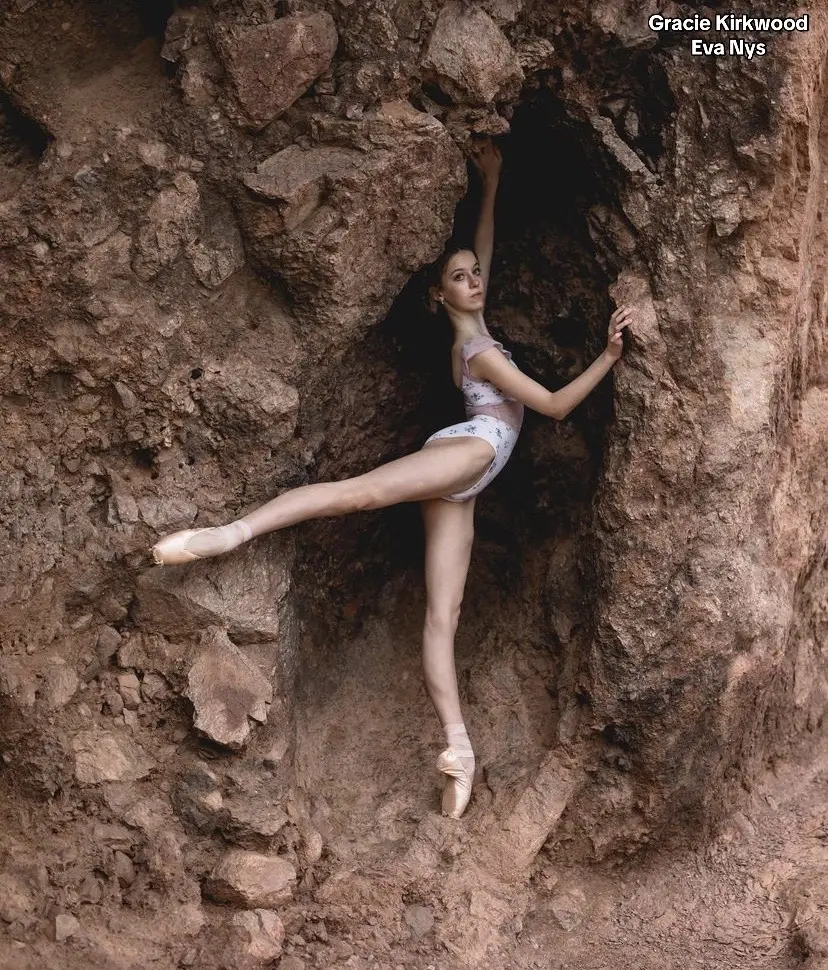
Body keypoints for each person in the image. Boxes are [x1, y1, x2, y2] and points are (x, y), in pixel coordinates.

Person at [150, 138, 633, 819]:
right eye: (460, 277)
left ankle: (458, 750)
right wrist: (610, 355)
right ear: (440, 296)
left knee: (444, 618)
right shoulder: (479, 350)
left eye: (474, 273)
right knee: (363, 491)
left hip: (470, 479)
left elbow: (480, 253)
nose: (474, 278)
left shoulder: (476, 325)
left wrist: (491, 184)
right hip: (471, 451)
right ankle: (230, 534)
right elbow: (552, 407)